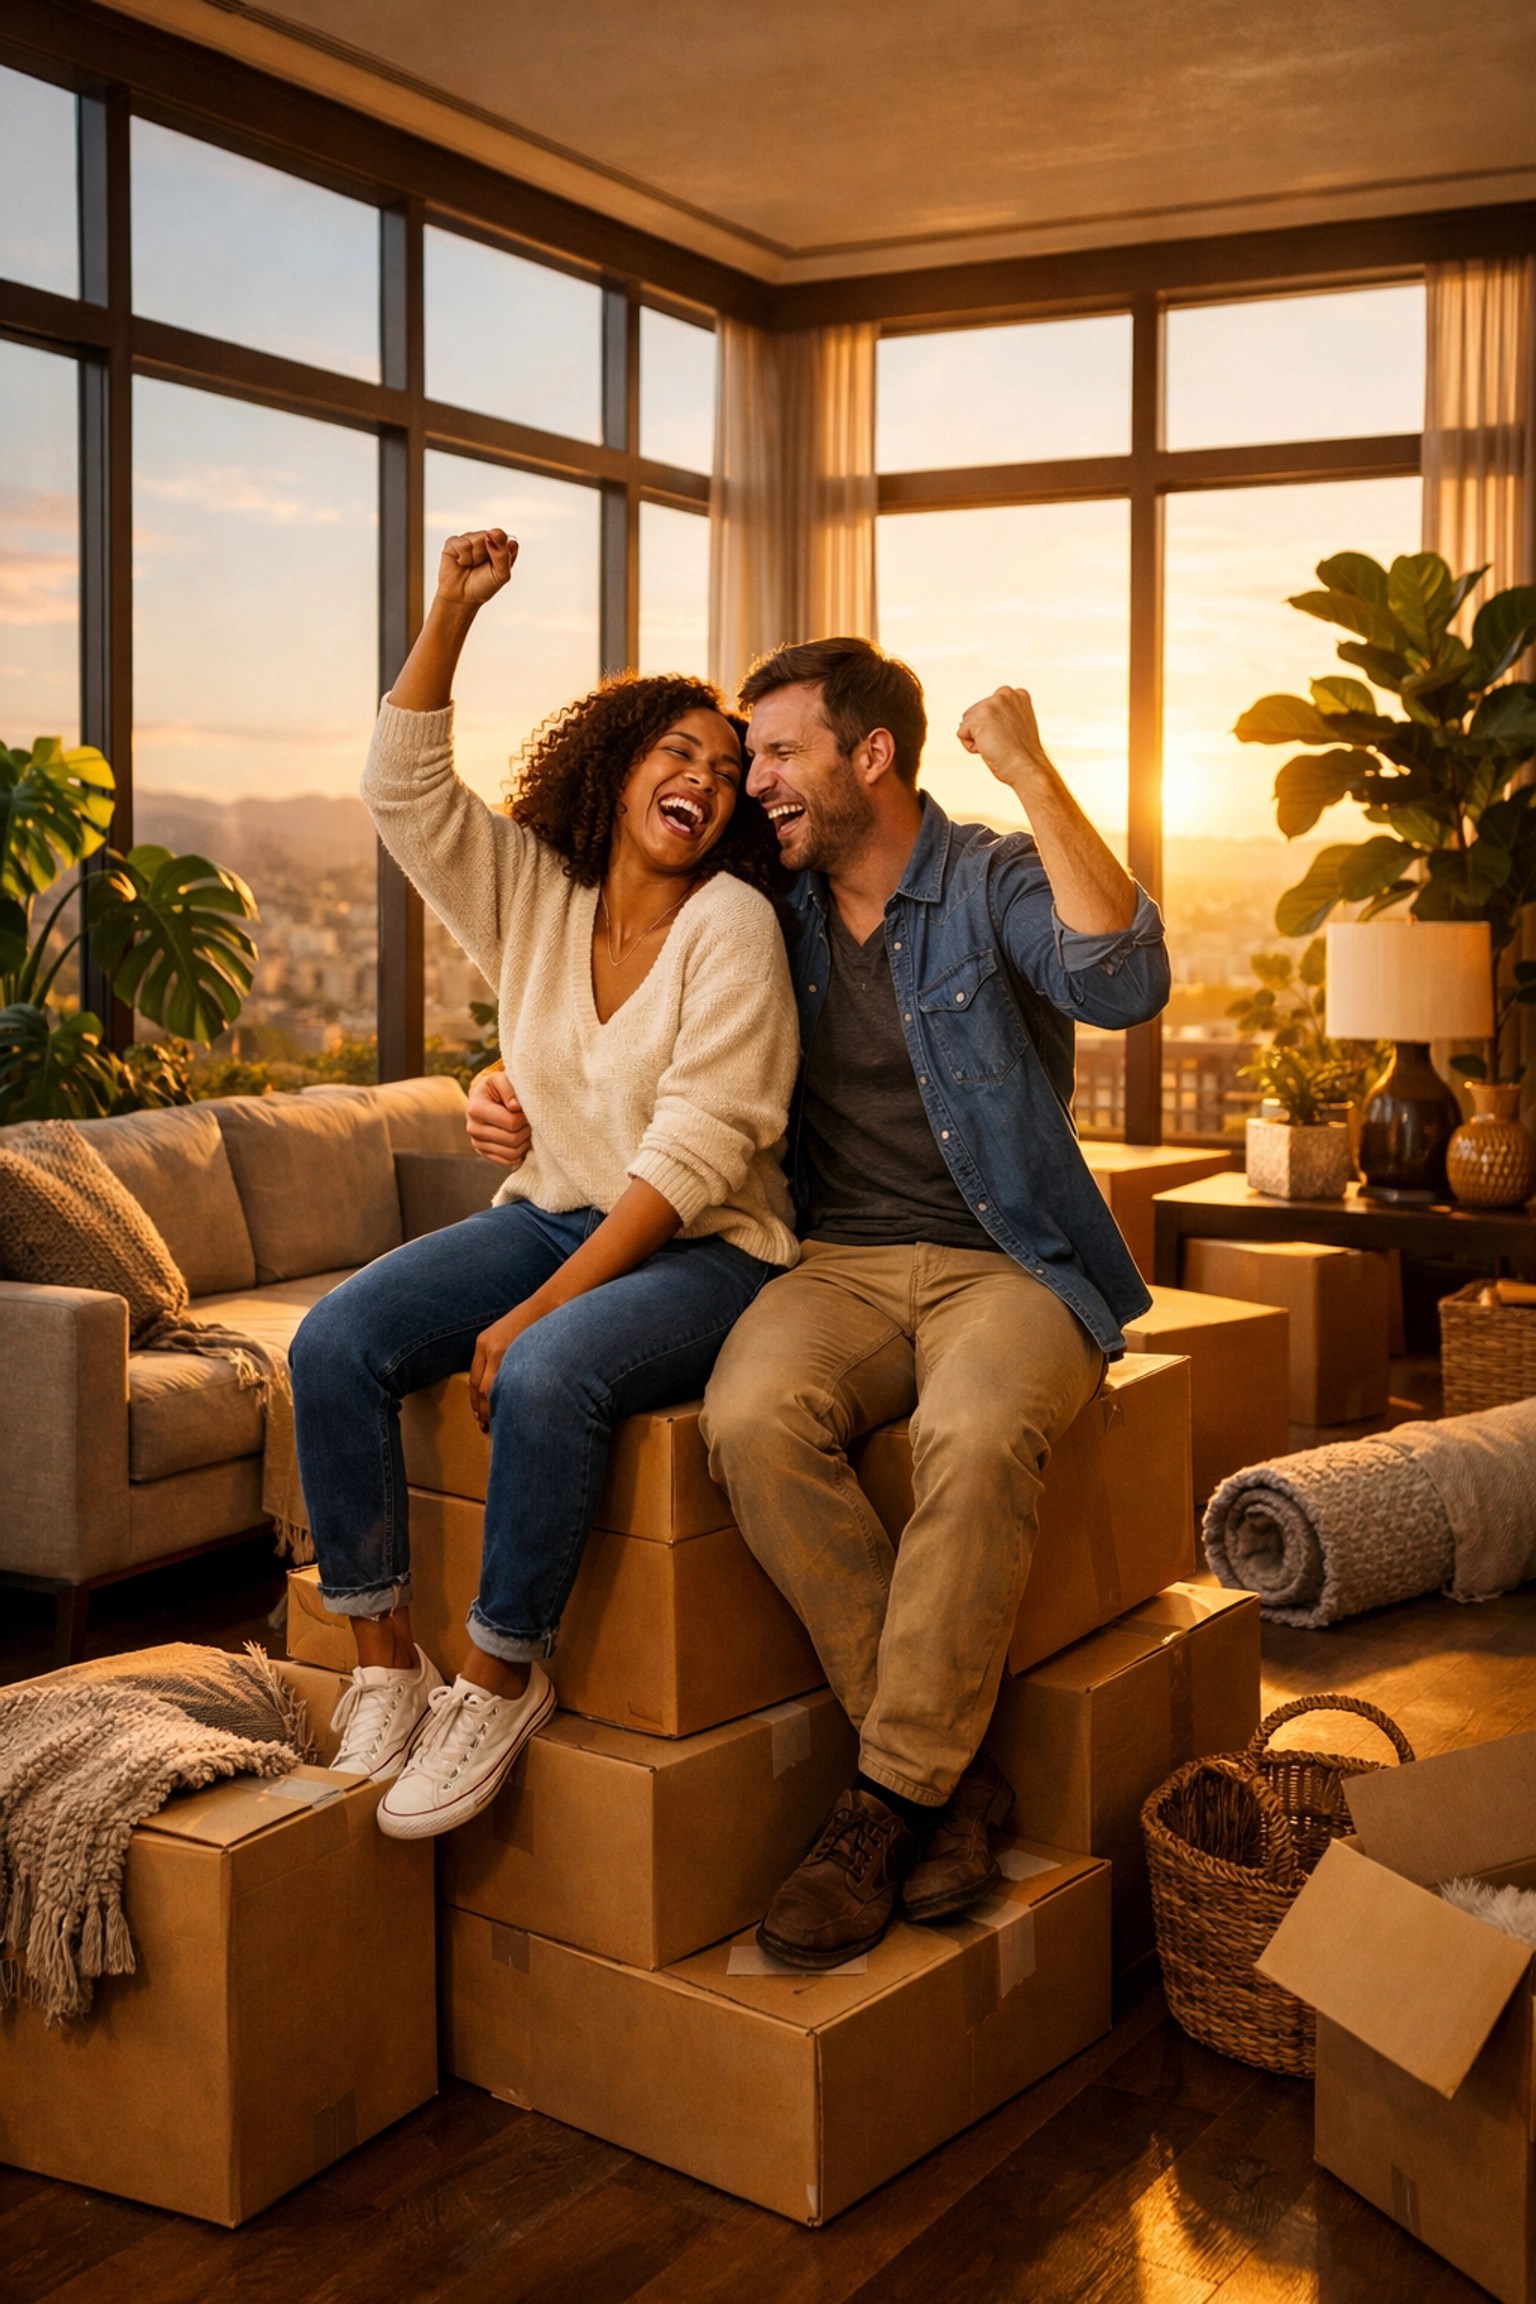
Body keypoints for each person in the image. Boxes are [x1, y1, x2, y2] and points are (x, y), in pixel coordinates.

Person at [468, 636, 1169, 1964]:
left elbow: (1124, 979)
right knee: (749, 1421)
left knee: (970, 1438)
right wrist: (499, 1088)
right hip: (831, 1261)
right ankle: (950, 1788)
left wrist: (1027, 770)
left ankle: (885, 1801)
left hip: (1008, 1265)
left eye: (778, 753)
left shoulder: (988, 880)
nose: (756, 782)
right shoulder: (763, 908)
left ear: (871, 757)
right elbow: (623, 1023)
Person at [291, 529, 800, 1841]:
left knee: (554, 1372)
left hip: (706, 1251)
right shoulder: (535, 891)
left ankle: (500, 1674)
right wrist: (450, 609)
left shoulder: (729, 928)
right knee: (337, 1341)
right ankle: (385, 1667)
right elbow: (404, 796)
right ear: (619, 761)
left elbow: (692, 1161)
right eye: (680, 749)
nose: (707, 776)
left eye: (731, 770)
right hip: (558, 1212)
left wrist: (526, 1319)